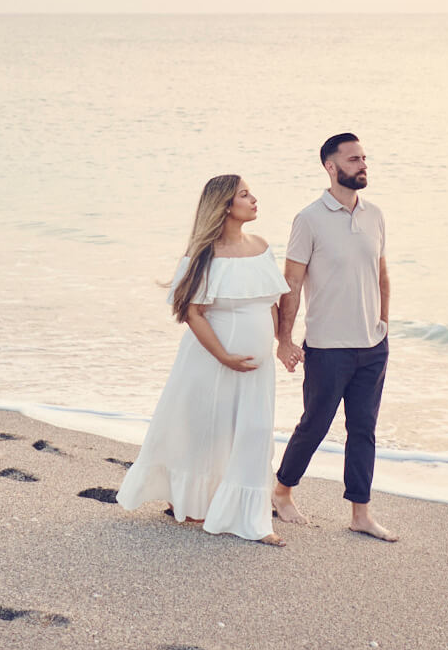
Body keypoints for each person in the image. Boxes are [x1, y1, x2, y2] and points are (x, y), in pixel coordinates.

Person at [117, 175, 290, 546]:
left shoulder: (261, 247)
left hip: (257, 368)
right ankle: (194, 503)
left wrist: (284, 343)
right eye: (245, 194)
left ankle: (252, 518)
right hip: (211, 361)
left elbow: (270, 303)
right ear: (226, 205)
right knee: (205, 432)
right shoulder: (204, 256)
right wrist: (224, 356)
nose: (254, 199)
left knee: (255, 432)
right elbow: (192, 313)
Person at [271, 133, 398, 541]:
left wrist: (383, 324)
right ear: (331, 166)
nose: (363, 165)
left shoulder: (375, 214)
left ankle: (361, 513)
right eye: (354, 159)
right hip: (327, 347)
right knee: (315, 424)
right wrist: (284, 340)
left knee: (364, 429)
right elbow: (291, 281)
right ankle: (282, 492)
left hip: (372, 346)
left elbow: (381, 274)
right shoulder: (309, 218)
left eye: (365, 157)